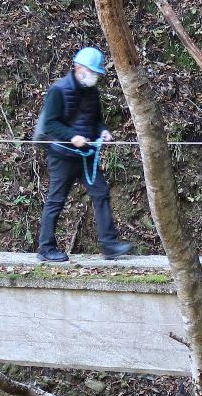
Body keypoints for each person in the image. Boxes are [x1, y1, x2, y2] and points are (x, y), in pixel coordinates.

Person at [36, 46, 134, 263]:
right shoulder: (58, 90)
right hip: (62, 155)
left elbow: (96, 120)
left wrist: (103, 131)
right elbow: (50, 124)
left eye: (97, 73)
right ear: (79, 68)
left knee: (101, 193)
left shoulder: (92, 92)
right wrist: (71, 136)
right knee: (56, 200)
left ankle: (109, 245)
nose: (95, 76)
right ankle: (45, 248)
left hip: (87, 156)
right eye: (93, 71)